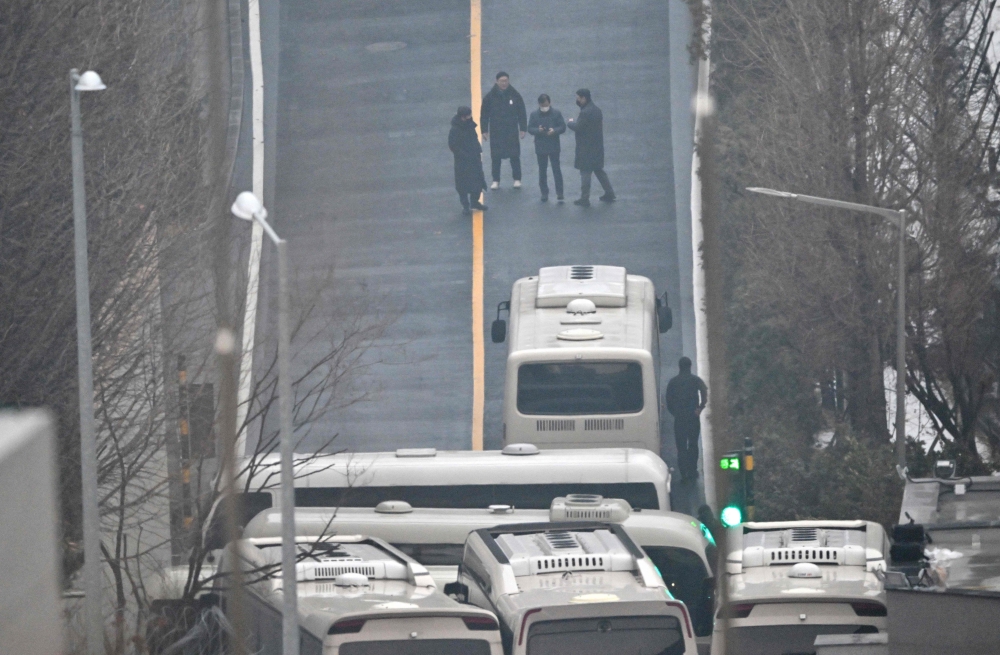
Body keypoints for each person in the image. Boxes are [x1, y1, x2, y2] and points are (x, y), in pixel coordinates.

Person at [566, 88, 615, 206]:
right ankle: (609, 193)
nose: (577, 100)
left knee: (585, 173)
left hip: (586, 148)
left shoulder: (585, 112)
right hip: (597, 146)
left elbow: (578, 127)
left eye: (578, 98)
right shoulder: (597, 110)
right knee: (599, 170)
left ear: (584, 98)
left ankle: (584, 198)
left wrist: (569, 122)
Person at [480, 71, 527, 189]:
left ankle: (517, 179)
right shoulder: (489, 97)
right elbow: (484, 115)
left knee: (514, 155)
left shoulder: (515, 95)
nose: (504, 83)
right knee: (495, 156)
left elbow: (522, 112)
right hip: (496, 130)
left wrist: (523, 128)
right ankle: (496, 180)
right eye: (502, 81)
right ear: (497, 81)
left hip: (511, 130)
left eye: (506, 81)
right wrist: (484, 130)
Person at [665, 357, 708, 483]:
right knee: (693, 444)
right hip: (693, 417)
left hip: (680, 419)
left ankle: (684, 474)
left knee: (681, 447)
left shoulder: (673, 382)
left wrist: (675, 413)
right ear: (690, 366)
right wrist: (700, 407)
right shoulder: (696, 380)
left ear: (679, 366)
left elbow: (668, 401)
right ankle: (693, 470)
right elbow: (704, 392)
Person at [448, 106, 488, 213]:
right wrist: (464, 155)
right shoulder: (455, 130)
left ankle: (474, 202)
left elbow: (474, 139)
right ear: (463, 117)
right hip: (463, 161)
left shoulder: (469, 125)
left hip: (473, 158)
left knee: (477, 181)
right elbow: (453, 146)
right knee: (463, 185)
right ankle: (465, 205)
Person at [526, 93, 566, 202]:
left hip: (553, 145)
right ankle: (544, 193)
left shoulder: (556, 113)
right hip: (541, 146)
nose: (545, 107)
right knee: (542, 170)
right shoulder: (534, 115)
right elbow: (530, 128)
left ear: (550, 102)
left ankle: (560, 192)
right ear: (539, 104)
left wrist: (555, 131)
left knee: (556, 169)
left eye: (546, 104)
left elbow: (562, 127)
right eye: (543, 105)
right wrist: (538, 131)